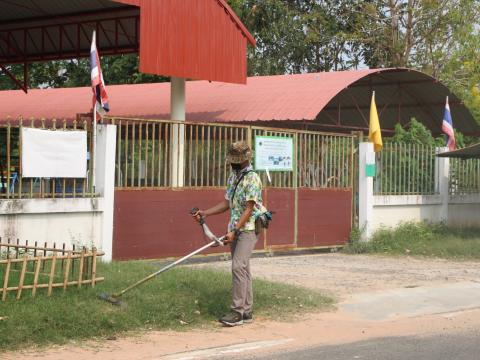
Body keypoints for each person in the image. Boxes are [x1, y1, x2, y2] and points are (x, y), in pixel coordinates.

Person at [192, 141, 263, 327]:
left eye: (236, 160)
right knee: (243, 268)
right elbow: (227, 203)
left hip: (248, 228)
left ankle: (237, 311)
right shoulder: (234, 177)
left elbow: (249, 209)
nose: (233, 163)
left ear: (245, 160)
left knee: (238, 266)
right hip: (235, 227)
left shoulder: (253, 178)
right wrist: (206, 212)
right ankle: (247, 311)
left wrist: (234, 230)